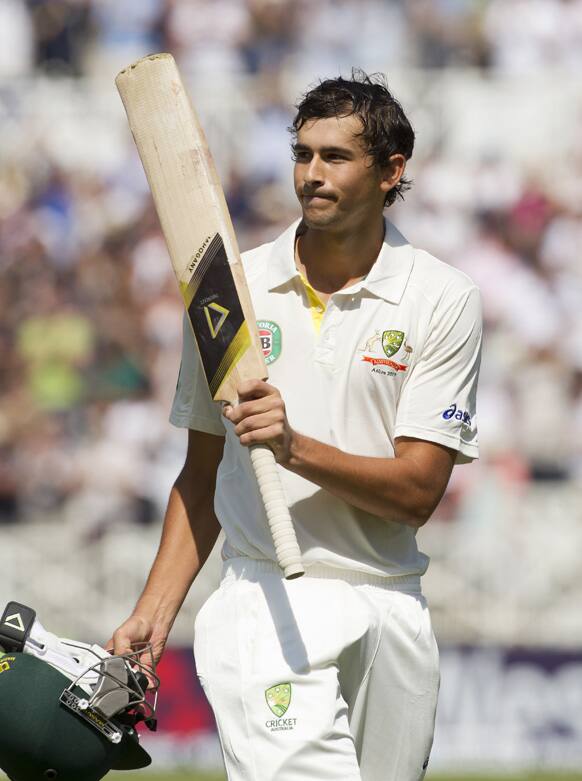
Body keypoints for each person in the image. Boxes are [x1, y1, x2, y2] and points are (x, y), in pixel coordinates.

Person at [111, 71, 482, 781]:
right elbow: (200, 473)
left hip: (391, 597)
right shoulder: (227, 294)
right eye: (302, 154)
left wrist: (292, 446)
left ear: (391, 172)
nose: (311, 174)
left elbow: (416, 493)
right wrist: (155, 613)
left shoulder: (443, 298)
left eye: (336, 157)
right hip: (266, 595)